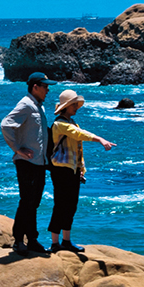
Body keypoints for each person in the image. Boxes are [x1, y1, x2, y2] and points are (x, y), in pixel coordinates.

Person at [45, 90, 114, 252]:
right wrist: (100, 139)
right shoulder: (60, 124)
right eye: (74, 105)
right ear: (66, 106)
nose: (76, 107)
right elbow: (78, 135)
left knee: (71, 205)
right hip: (60, 170)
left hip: (72, 170)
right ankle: (55, 243)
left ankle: (66, 241)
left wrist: (81, 169)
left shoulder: (72, 122)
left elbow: (77, 149)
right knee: (60, 205)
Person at [0, 73, 51, 254]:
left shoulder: (39, 106)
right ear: (35, 87)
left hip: (39, 162)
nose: (48, 90)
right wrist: (17, 149)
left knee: (34, 202)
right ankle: (18, 240)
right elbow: (6, 124)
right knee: (27, 201)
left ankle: (32, 240)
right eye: (45, 86)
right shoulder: (26, 104)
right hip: (27, 162)